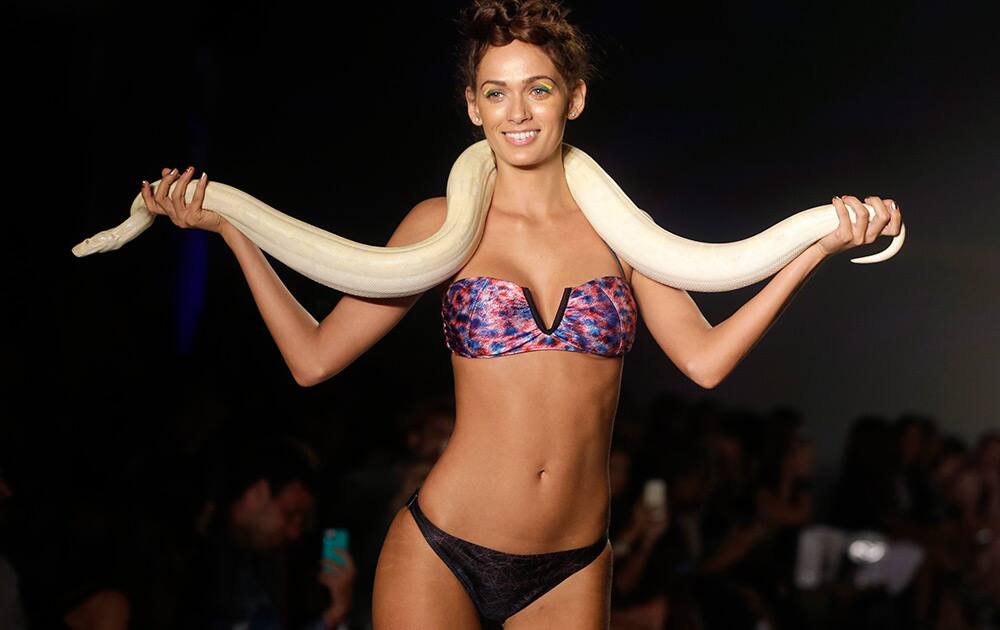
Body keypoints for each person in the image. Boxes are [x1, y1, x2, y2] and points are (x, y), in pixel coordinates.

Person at [136, 0, 905, 626]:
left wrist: (815, 249)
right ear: (472, 107)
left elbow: (705, 362)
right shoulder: (438, 227)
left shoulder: (623, 232)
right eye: (495, 91)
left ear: (574, 96)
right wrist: (231, 231)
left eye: (538, 87)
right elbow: (311, 359)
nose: (517, 112)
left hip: (573, 564)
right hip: (441, 548)